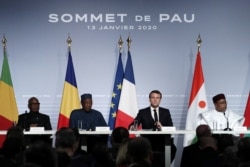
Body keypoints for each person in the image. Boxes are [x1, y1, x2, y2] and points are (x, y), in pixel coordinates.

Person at [129, 90, 177, 166]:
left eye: (157, 98)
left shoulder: (166, 112)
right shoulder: (143, 112)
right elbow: (132, 125)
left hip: (162, 142)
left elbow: (171, 127)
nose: (155, 100)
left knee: (173, 148)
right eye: (153, 97)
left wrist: (162, 127)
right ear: (149, 99)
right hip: (148, 142)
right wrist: (132, 127)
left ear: (160, 100)